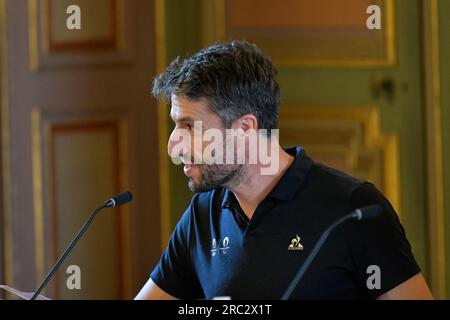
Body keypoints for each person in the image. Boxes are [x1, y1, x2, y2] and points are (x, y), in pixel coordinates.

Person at [135, 40, 433, 300]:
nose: (173, 144)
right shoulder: (202, 216)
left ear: (245, 128)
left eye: (189, 126)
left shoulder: (354, 208)